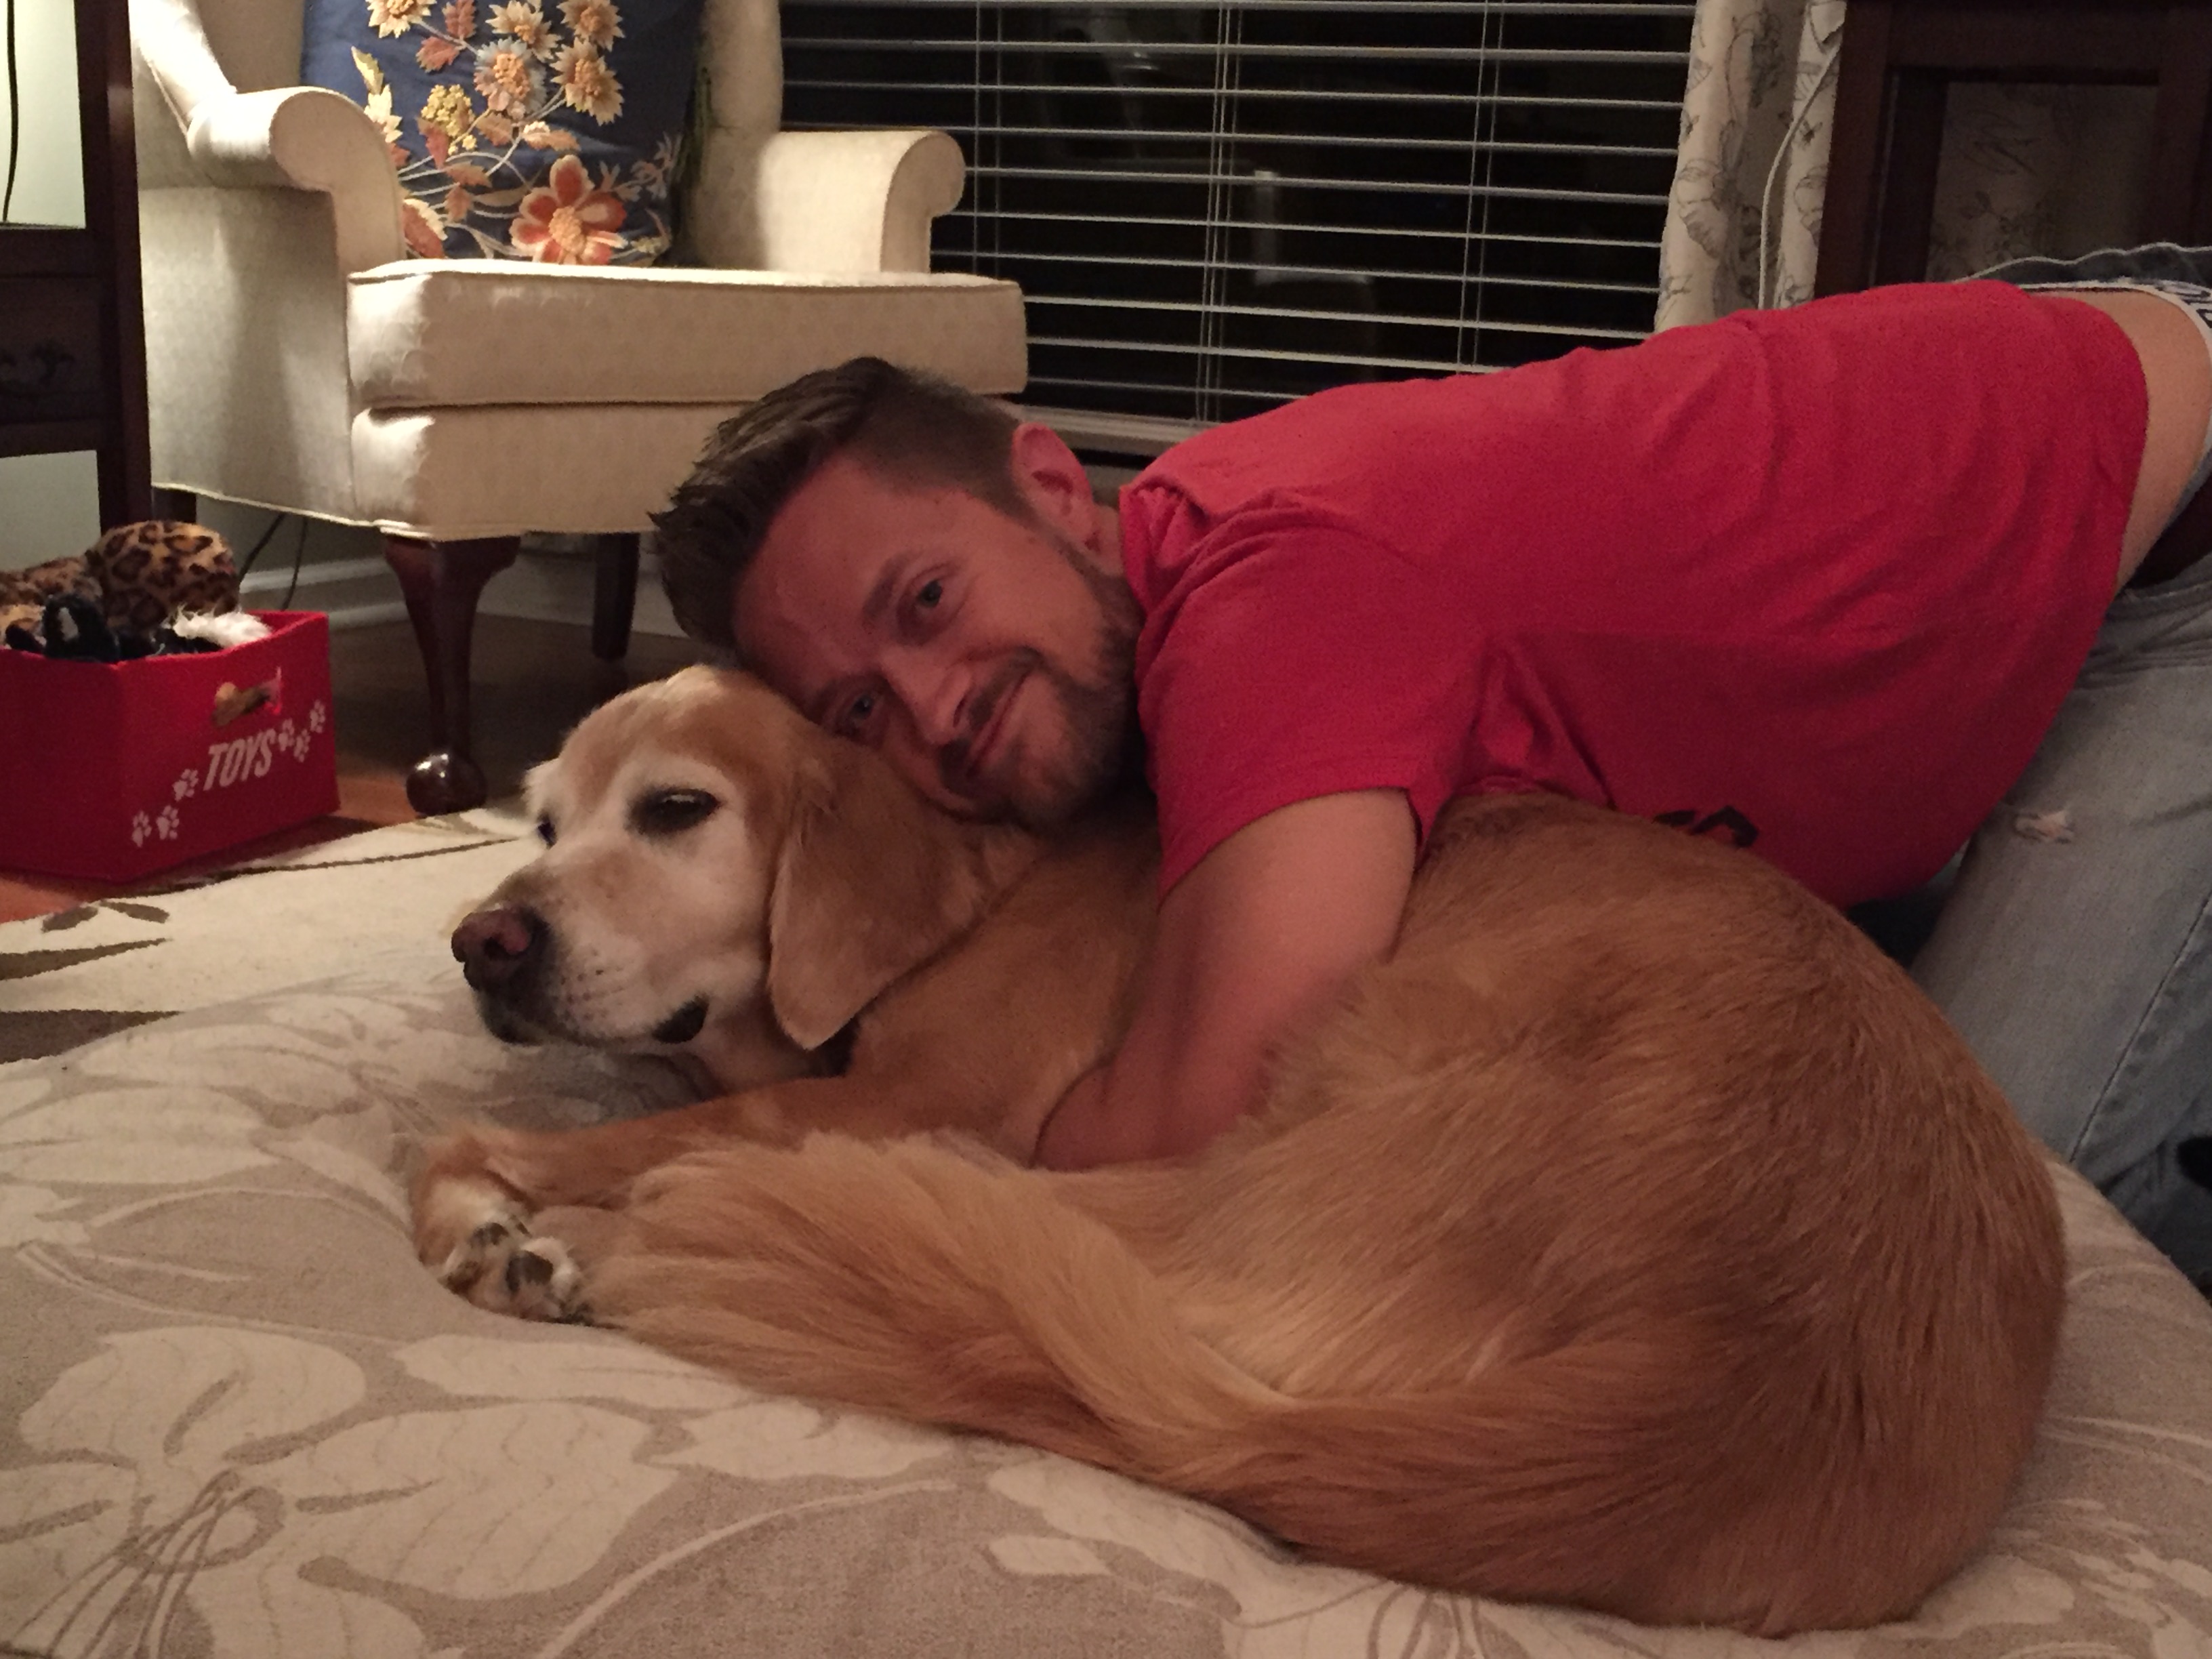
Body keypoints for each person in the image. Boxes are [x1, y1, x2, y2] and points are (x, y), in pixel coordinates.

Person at [652, 245, 2212, 1288]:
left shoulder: (1279, 614)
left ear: (1054, 490)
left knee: (1975, 1234)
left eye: (927, 602)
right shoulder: (1149, 570)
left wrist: (893, 1111)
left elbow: (1192, 1127)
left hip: (2166, 516)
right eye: (859, 711)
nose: (933, 712)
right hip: (1981, 477)